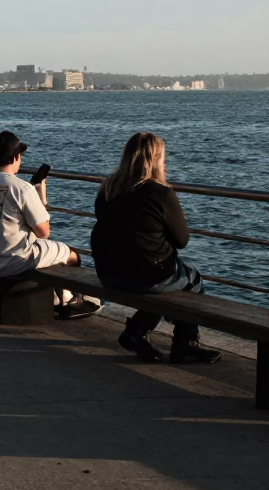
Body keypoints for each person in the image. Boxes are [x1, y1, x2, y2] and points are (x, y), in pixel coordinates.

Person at [91, 132, 220, 364]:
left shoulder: (108, 189)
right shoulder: (160, 193)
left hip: (108, 273)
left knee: (165, 281)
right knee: (192, 280)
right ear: (156, 159)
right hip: (146, 275)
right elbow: (181, 240)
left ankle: (137, 332)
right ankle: (185, 345)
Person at [0, 130, 99, 319]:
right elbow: (43, 232)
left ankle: (62, 299)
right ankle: (71, 302)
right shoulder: (21, 188)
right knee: (71, 254)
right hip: (14, 261)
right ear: (15, 157)